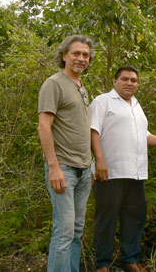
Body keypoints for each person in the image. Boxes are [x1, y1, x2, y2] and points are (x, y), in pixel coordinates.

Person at [90, 66, 156, 272]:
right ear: (115, 82)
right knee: (107, 218)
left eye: (134, 80)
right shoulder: (102, 101)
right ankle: (102, 263)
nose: (130, 83)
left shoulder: (136, 105)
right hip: (110, 172)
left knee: (136, 215)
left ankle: (129, 258)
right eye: (125, 79)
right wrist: (99, 160)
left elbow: (143, 134)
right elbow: (93, 131)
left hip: (136, 172)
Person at [38, 35, 94, 272]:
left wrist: (90, 164)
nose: (81, 58)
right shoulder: (54, 83)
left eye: (85, 55)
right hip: (64, 169)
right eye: (76, 53)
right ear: (64, 56)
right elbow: (43, 126)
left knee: (77, 230)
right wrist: (54, 167)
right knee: (64, 231)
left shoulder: (81, 87)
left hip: (83, 170)